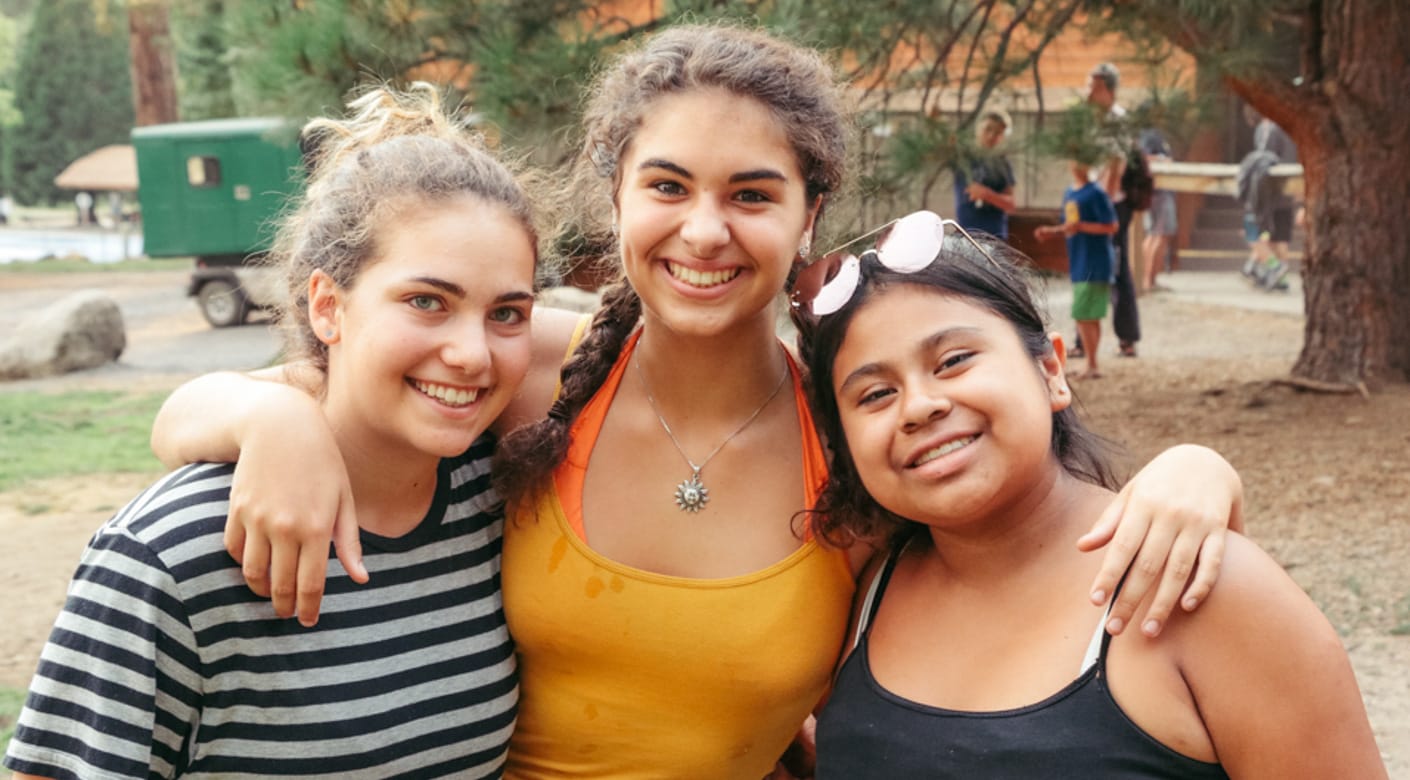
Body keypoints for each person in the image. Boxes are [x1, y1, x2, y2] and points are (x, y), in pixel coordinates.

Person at [148, 26, 1248, 778]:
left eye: (752, 194)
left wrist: (1196, 470)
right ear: (616, 195)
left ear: (810, 213)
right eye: (668, 186)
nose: (705, 231)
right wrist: (269, 419)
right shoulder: (517, 362)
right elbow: (197, 412)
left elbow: (1025, 535)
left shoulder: (854, 438)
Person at [3, 84, 536, 778]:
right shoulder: (171, 550)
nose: (473, 353)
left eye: (507, 313)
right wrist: (269, 413)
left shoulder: (496, 503)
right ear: (327, 307)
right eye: (426, 301)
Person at [792, 216, 1386, 778]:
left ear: (1052, 369)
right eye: (874, 394)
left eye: (953, 360)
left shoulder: (1197, 585)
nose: (920, 405)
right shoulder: (863, 583)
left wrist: (1203, 461)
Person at [1071, 61, 1140, 360]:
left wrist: (1105, 204)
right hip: (1086, 198)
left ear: (1109, 90)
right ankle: (1083, 340)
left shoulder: (1118, 120)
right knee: (1085, 265)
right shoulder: (1086, 121)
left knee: (1116, 267)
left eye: (1096, 87)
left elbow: (1117, 165)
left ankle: (1127, 337)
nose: (1089, 93)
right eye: (1088, 85)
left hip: (1110, 204)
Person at [1035, 153, 1118, 379]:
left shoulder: (1096, 193)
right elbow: (1070, 226)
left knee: (1085, 312)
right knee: (1084, 314)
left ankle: (1092, 363)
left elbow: (1111, 226)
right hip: (1079, 258)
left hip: (1096, 260)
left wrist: (1082, 226)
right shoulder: (1070, 192)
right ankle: (1091, 362)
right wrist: (1051, 232)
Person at [1238, 110, 1299, 291]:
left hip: (1268, 193)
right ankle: (1280, 279)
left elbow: (1262, 160)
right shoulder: (1289, 127)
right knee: (1279, 237)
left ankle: (1274, 267)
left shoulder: (1268, 128)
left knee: (1254, 234)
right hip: (1286, 189)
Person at [953, 109, 1017, 241]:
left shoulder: (1003, 164)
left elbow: (1010, 205)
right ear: (978, 129)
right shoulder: (962, 157)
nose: (991, 136)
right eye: (988, 129)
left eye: (998, 132)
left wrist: (987, 194)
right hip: (966, 236)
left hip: (995, 237)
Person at [1139, 124, 1177, 292]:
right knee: (1159, 234)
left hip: (1158, 192)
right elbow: (1143, 156)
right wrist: (1162, 160)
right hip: (1159, 192)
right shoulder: (1149, 136)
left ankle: (1149, 279)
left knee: (1156, 234)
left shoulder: (1156, 134)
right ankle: (1148, 280)